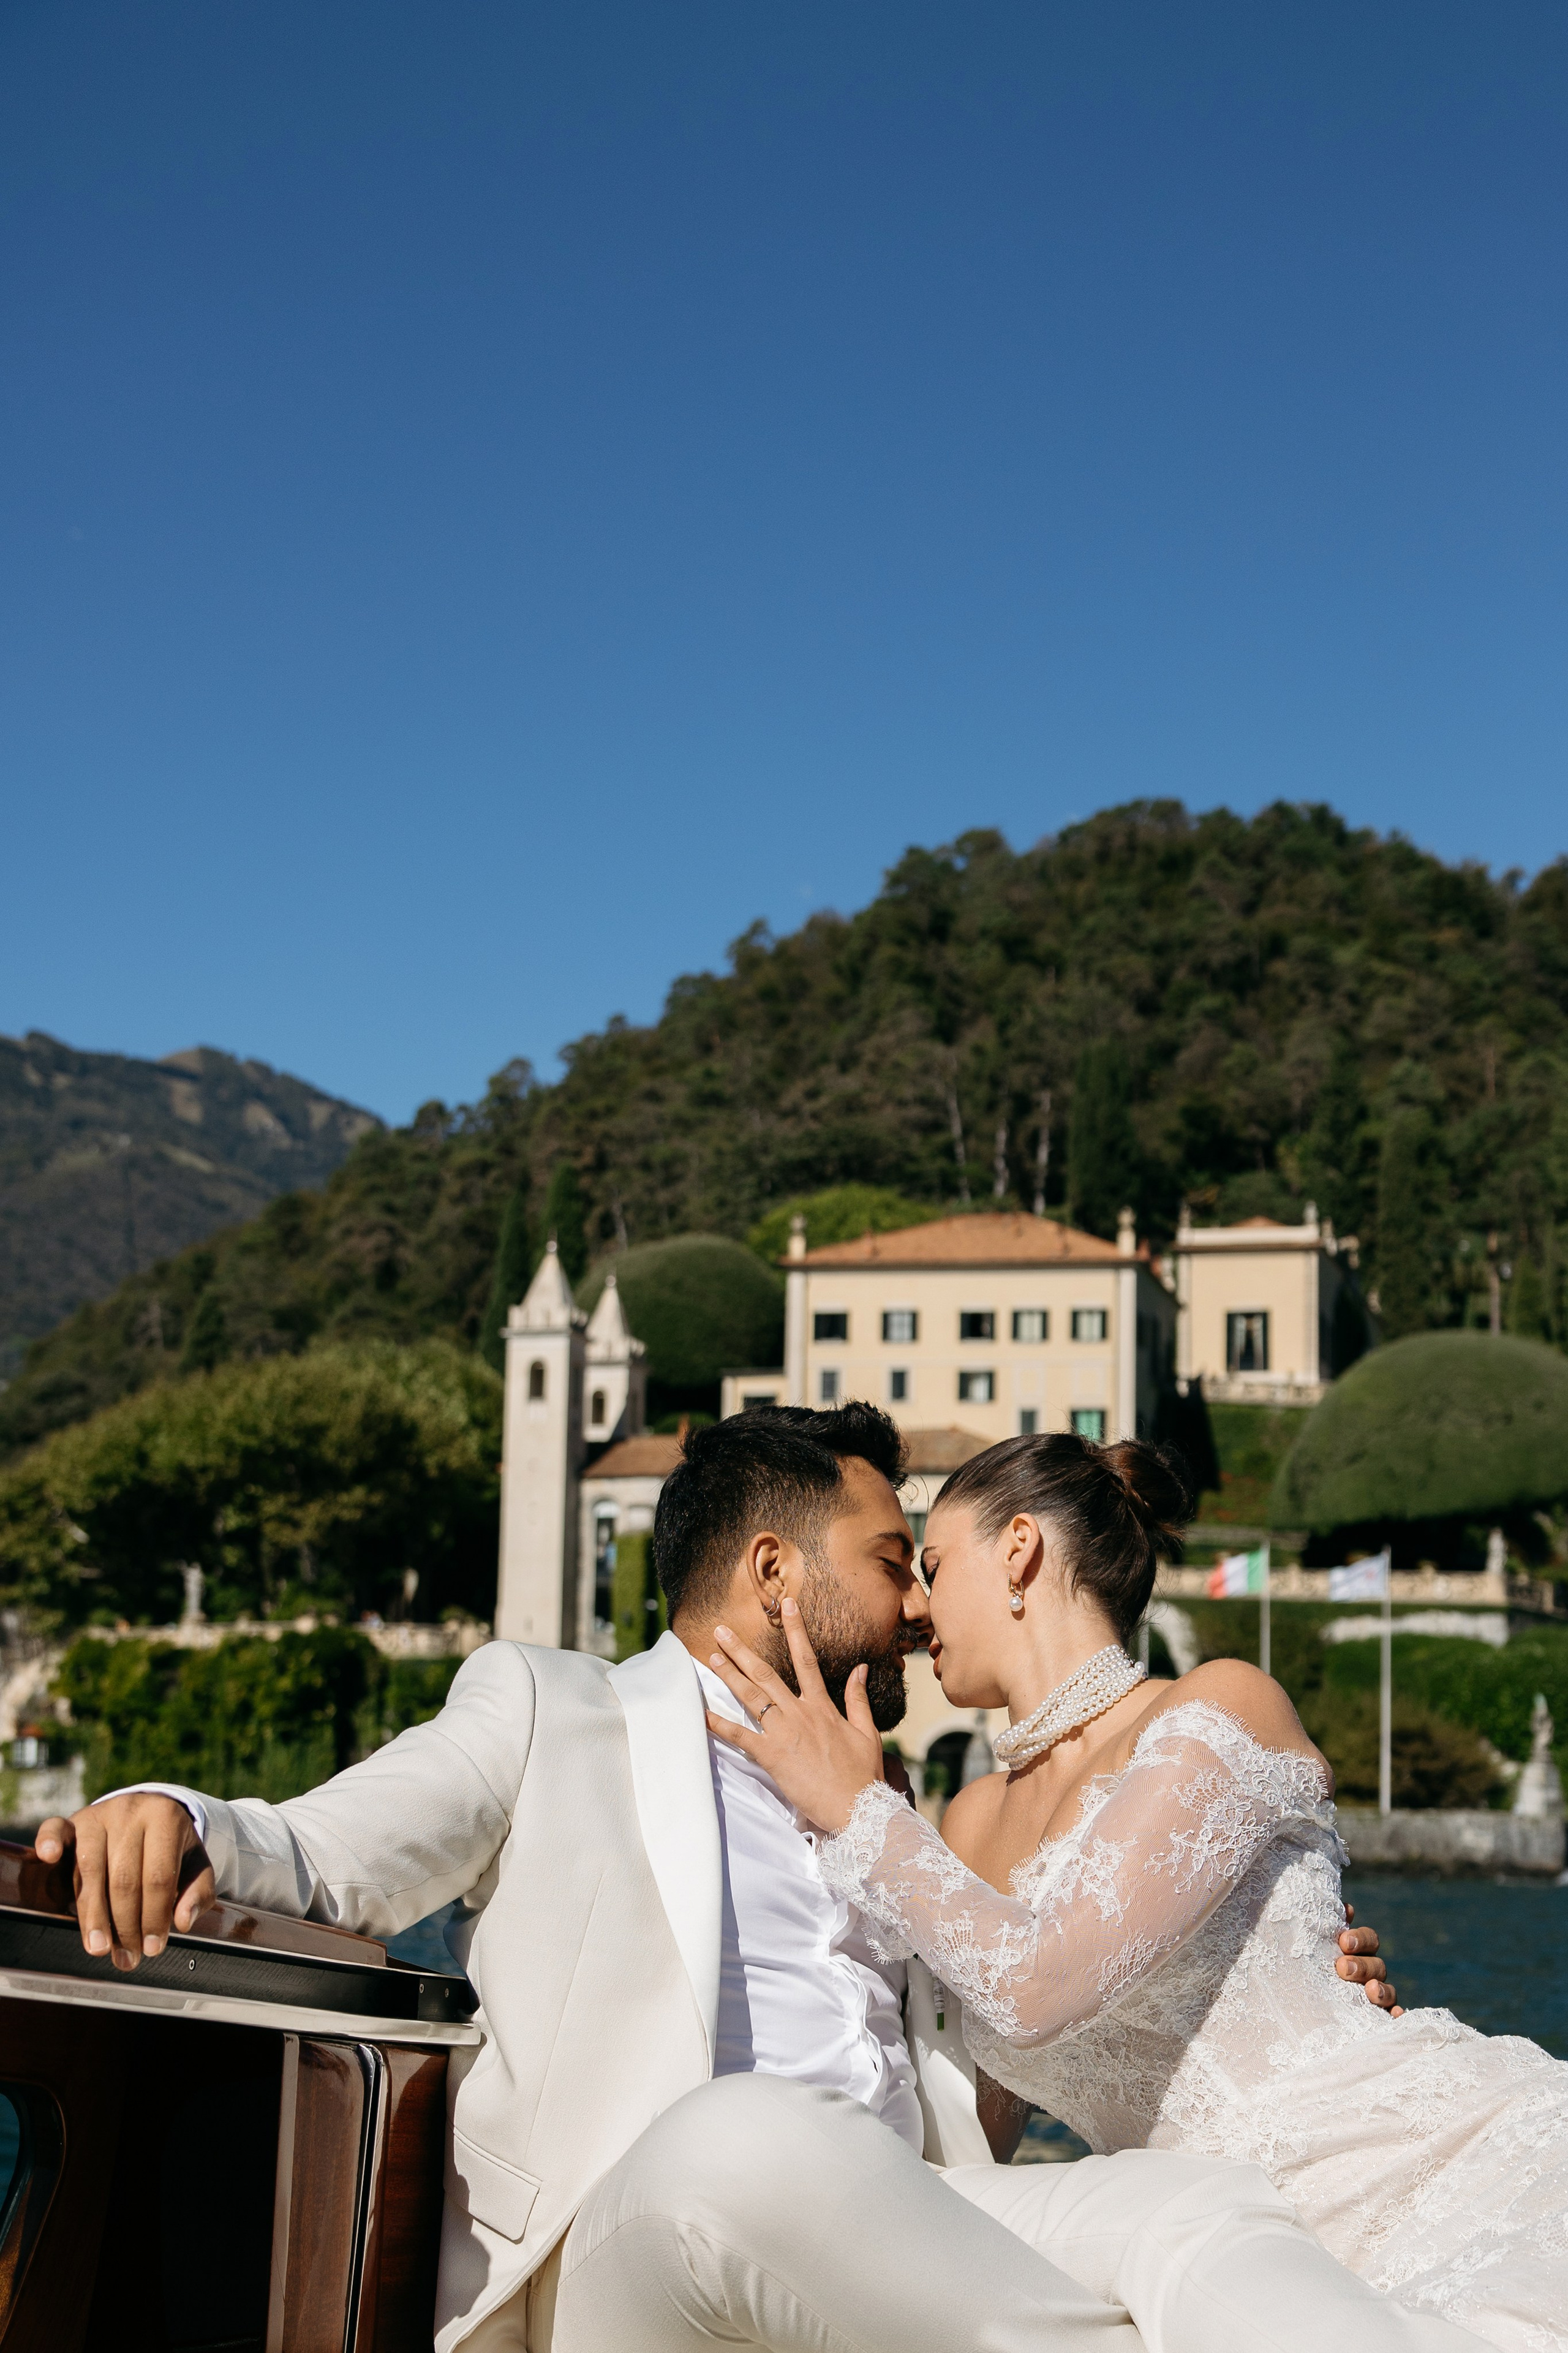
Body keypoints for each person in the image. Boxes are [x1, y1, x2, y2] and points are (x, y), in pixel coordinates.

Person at [37, 1405, 1477, 2353]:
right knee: (747, 2141)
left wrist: (1259, 1967)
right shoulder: (555, 1707)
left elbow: (1020, 2030)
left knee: (1194, 2203)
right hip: (627, 2261)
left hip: (909, 2226)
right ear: (776, 1572)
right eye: (893, 1560)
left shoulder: (896, 1811)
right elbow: (334, 1852)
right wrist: (172, 1812)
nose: (923, 1608)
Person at [703, 1427, 1568, 2353]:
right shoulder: (965, 1822)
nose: (916, 1606)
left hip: (1436, 2174)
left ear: (1021, 1552)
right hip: (1207, 2267)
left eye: (934, 1563)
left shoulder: (1219, 1706)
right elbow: (976, 2136)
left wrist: (858, 1811)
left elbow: (1036, 1985)